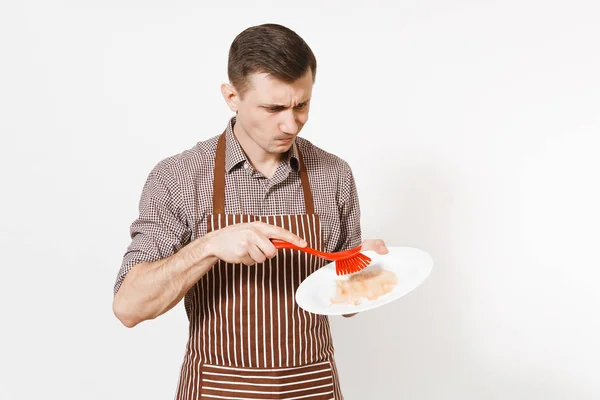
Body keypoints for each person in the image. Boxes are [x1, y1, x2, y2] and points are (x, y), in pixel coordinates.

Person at [112, 23, 388, 400]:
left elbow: (347, 306)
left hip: (312, 389)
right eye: (274, 108)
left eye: (301, 105)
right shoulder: (179, 177)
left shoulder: (334, 174)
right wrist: (208, 246)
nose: (291, 123)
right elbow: (128, 307)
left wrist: (365, 271)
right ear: (231, 96)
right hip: (217, 391)